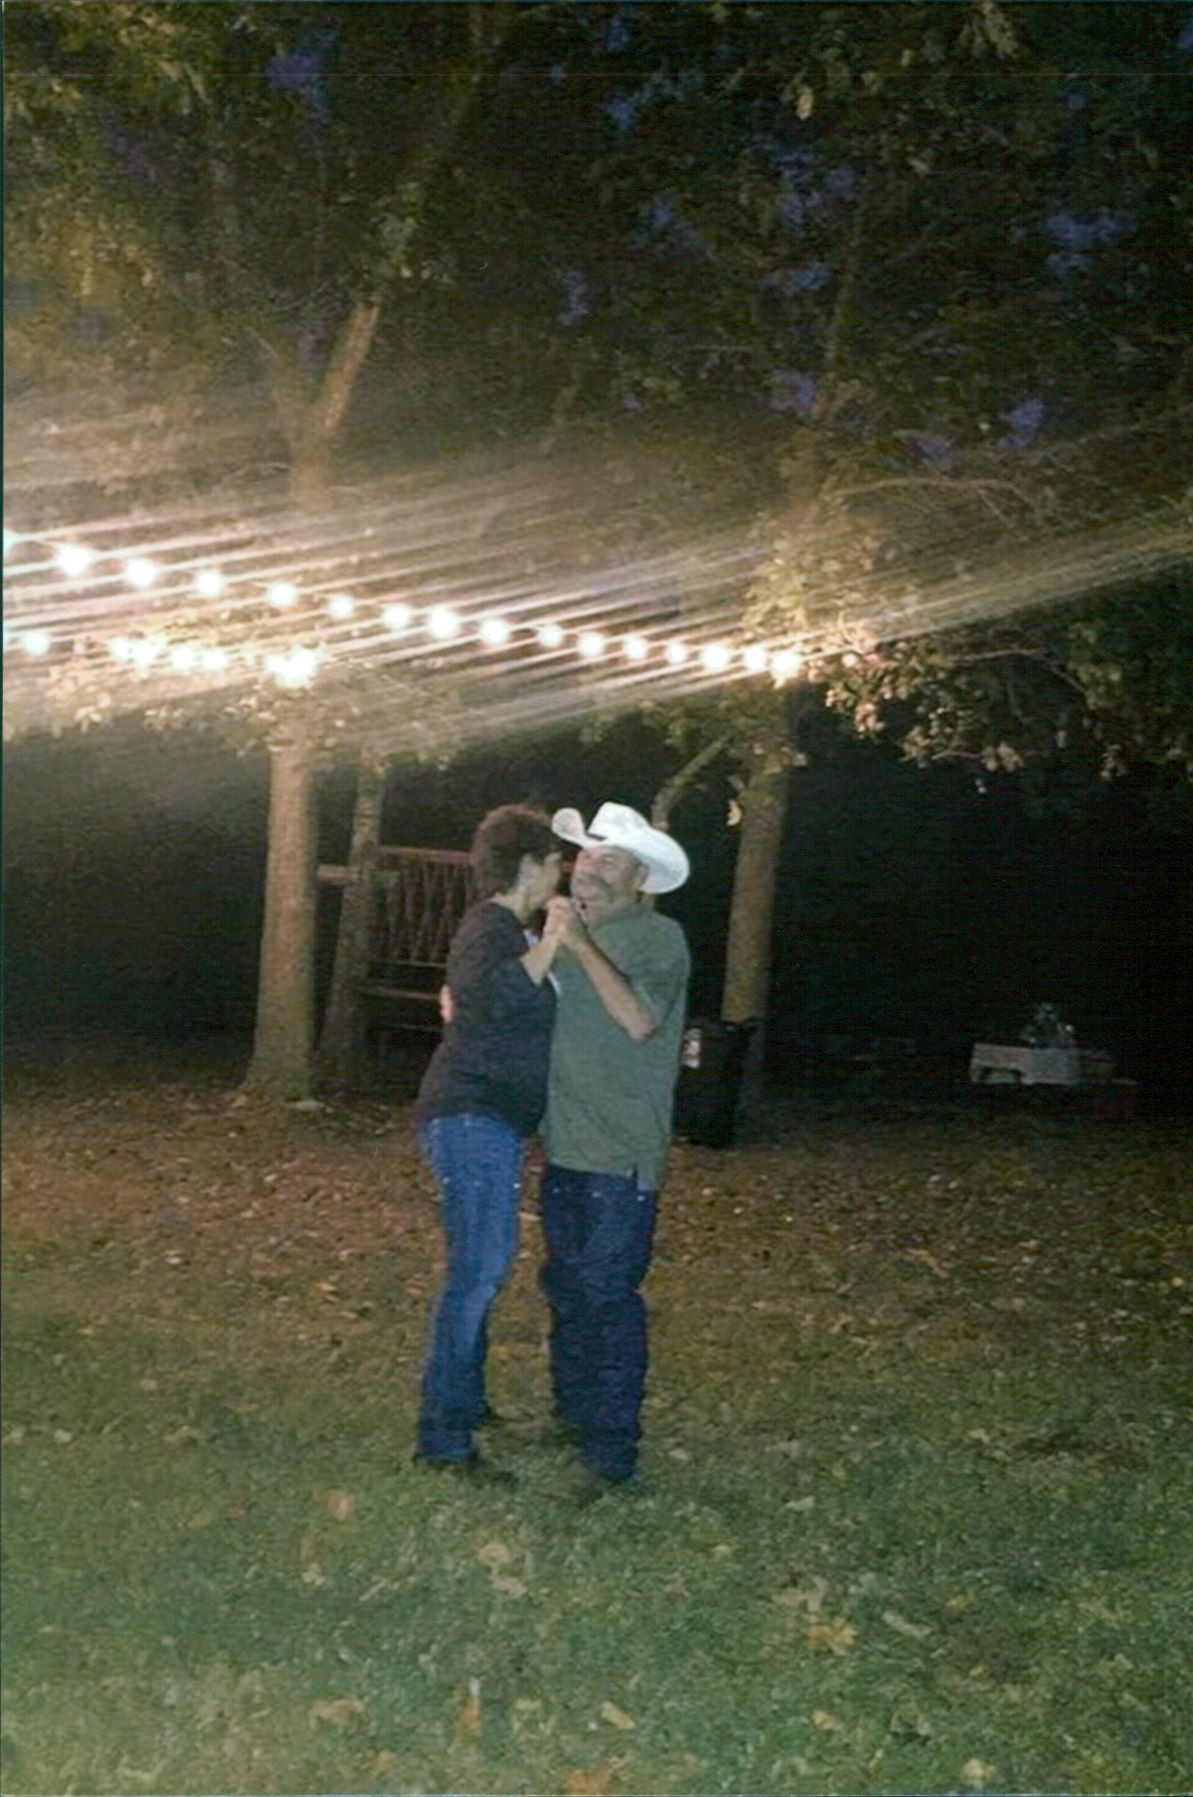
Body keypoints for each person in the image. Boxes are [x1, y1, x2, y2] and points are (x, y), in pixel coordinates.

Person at [537, 802, 691, 1495]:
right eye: (585, 855)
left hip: (620, 1155)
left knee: (606, 1299)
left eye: (609, 859)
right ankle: (571, 1417)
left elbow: (638, 1020)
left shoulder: (658, 938)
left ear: (640, 878)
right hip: (563, 1145)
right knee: (567, 1291)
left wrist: (577, 945)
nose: (589, 867)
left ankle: (609, 1452)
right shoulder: (566, 932)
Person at [413, 805, 567, 1482]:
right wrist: (552, 941)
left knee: (480, 1266)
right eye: (555, 862)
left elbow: (480, 1001)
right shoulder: (490, 925)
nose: (561, 876)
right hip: (470, 1115)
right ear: (529, 865)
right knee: (479, 1270)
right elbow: (492, 994)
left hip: (490, 1119)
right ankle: (443, 1442)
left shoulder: (507, 932)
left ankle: (466, 1404)